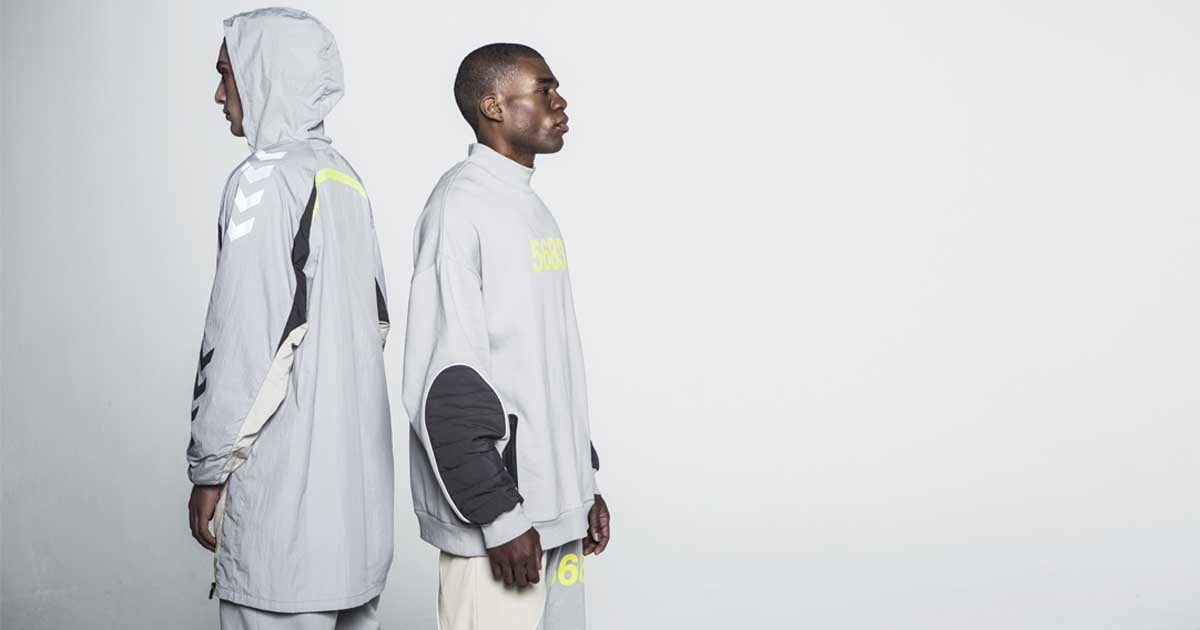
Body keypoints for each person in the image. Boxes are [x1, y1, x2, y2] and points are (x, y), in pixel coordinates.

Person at [186, 8, 393, 629]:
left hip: (286, 515)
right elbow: (377, 326)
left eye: (227, 74)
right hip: (356, 520)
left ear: (265, 72)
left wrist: (210, 467)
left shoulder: (262, 179)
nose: (219, 94)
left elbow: (246, 341)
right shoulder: (345, 179)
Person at [401, 43, 611, 630]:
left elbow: (544, 368)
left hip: (557, 518)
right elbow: (447, 380)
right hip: (504, 529)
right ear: (493, 106)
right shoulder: (458, 207)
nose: (560, 102)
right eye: (544, 90)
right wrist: (498, 517)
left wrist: (583, 485)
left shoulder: (529, 207)